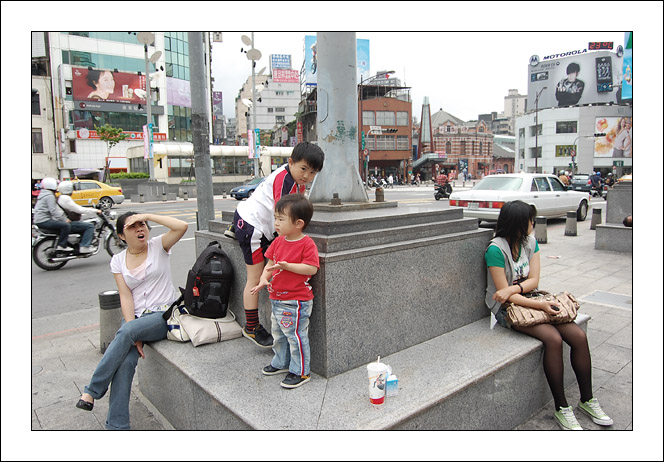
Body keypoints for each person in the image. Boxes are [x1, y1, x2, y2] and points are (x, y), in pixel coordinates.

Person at [485, 200, 613, 430]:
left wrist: (516, 289)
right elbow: (502, 297)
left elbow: (534, 281)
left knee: (578, 336)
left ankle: (587, 400)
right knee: (553, 339)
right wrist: (530, 300)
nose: (533, 224)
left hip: (534, 300)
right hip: (508, 309)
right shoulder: (495, 250)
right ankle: (562, 408)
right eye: (530, 220)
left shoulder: (530, 242)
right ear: (518, 222)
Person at [75, 212, 188, 429]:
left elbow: (182, 226)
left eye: (142, 224)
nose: (139, 229)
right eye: (132, 227)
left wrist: (148, 215)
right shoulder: (118, 260)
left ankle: (92, 390)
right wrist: (133, 330)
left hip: (162, 315)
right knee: (125, 364)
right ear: (121, 235)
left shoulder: (159, 246)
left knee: (127, 332)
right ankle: (117, 426)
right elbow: (125, 296)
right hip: (135, 320)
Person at [227, 141, 324, 348]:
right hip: (252, 227)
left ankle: (235, 225)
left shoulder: (292, 179)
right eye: (303, 169)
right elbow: (284, 213)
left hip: (251, 219)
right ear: (291, 162)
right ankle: (251, 327)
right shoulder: (285, 180)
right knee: (255, 279)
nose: (306, 176)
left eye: (313, 172)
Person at [251, 194, 319, 388]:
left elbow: (311, 269)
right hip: (276, 298)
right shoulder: (278, 241)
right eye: (275, 218)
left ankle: (301, 372)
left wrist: (288, 266)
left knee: (295, 336)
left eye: (281, 219)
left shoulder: (306, 244)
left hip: (296, 301)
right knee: (278, 333)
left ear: (298, 223)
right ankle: (281, 362)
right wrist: (264, 279)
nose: (276, 223)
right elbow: (269, 264)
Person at [56, 180, 101, 253]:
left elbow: (75, 208)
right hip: (66, 222)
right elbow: (79, 209)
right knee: (89, 226)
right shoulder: (65, 198)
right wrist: (95, 210)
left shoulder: (61, 197)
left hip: (62, 221)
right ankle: (84, 246)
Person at [33, 177, 74, 251]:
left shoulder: (44, 194)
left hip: (39, 220)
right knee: (66, 226)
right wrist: (64, 219)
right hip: (44, 221)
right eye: (56, 184)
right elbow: (53, 211)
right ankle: (62, 245)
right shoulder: (49, 196)